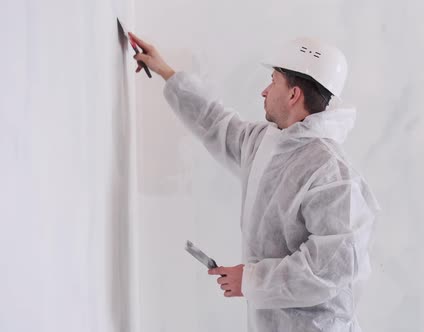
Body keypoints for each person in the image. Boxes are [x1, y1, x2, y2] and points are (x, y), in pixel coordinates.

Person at [130, 32, 380, 332]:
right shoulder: (268, 144)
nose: (264, 91)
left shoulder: (332, 174)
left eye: (273, 80)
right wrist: (165, 72)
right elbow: (216, 122)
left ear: (293, 95)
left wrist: (251, 280)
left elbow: (330, 267)